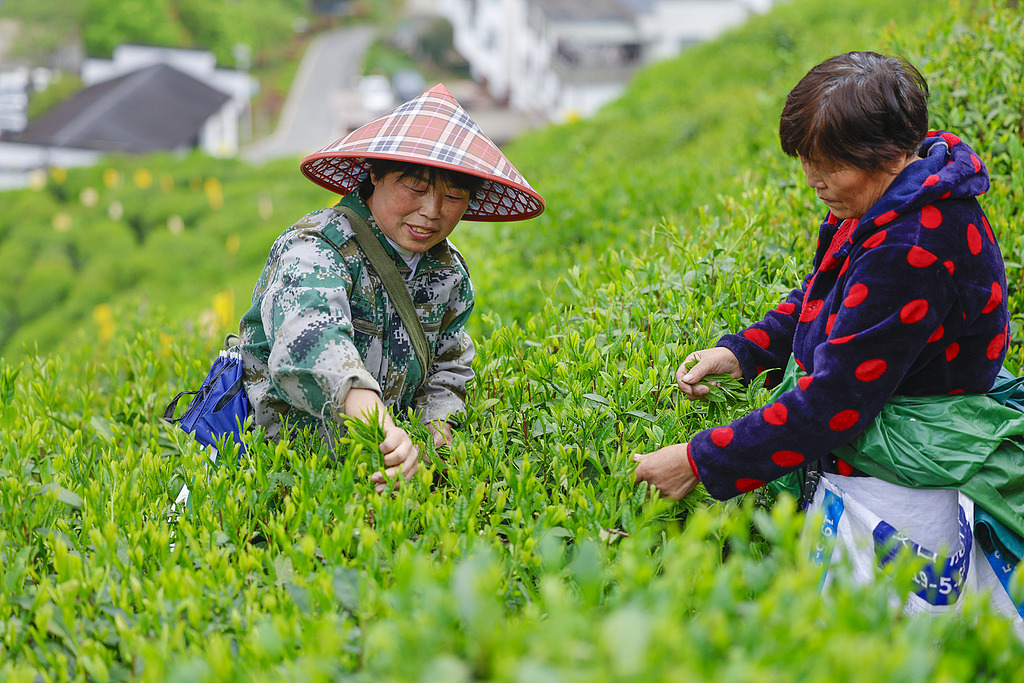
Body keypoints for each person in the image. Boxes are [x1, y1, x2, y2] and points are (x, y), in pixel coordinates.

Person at [633, 52, 1021, 619]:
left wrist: (697, 461)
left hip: (901, 497)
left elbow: (836, 402)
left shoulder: (911, 244)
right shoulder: (904, 195)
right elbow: (831, 297)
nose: (814, 182)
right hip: (888, 477)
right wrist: (740, 353)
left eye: (829, 166)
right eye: (809, 162)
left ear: (884, 153)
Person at [238, 84, 544, 492]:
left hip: (384, 477)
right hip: (292, 474)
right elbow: (307, 338)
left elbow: (447, 368)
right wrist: (377, 423)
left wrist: (435, 432)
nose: (432, 211)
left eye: (453, 195)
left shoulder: (448, 272)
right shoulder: (317, 246)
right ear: (375, 174)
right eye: (415, 187)